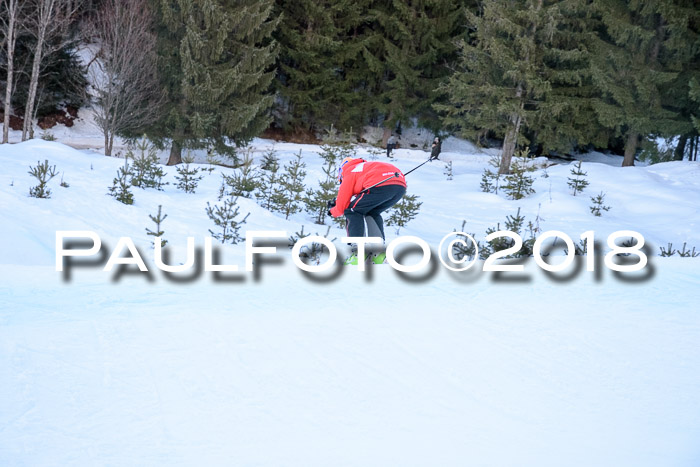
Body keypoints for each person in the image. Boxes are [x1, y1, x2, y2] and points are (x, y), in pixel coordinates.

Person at [328, 157, 407, 264]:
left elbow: (342, 206)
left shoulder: (350, 171)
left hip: (380, 185)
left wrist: (332, 211)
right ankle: (379, 254)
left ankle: (359, 254)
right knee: (372, 212)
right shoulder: (365, 167)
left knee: (352, 211)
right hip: (399, 186)